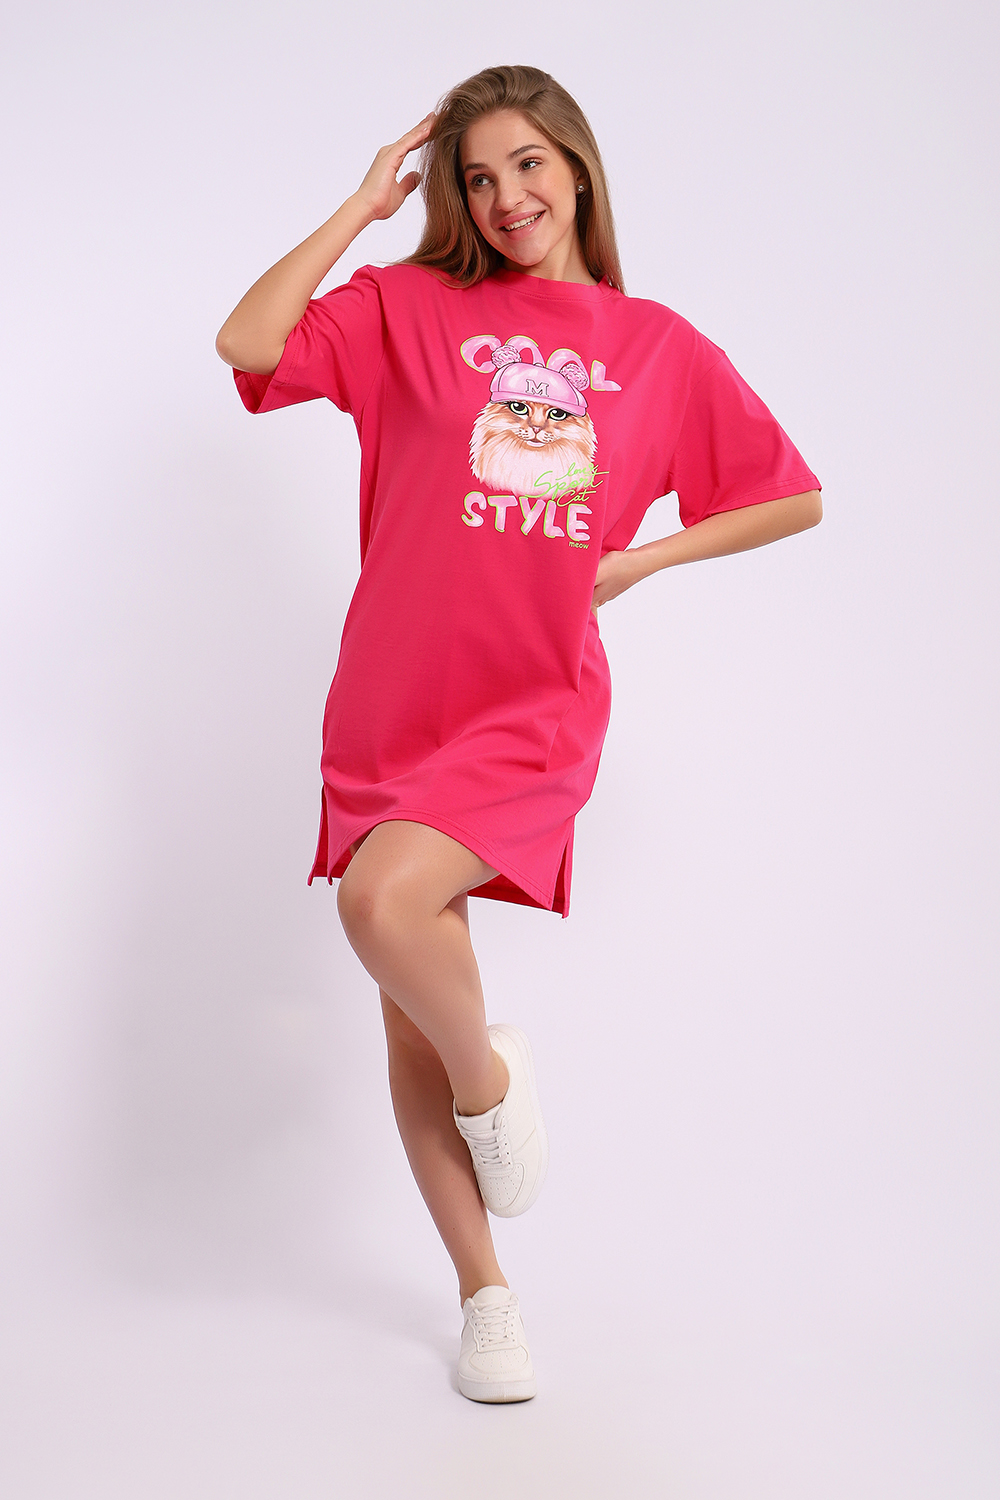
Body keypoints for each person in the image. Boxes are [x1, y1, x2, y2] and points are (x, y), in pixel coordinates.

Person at [216, 64, 822, 1404]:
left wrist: (644, 559)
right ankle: (485, 1295)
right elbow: (248, 344)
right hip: (389, 697)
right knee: (405, 1017)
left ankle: (491, 1084)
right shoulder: (408, 307)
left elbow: (793, 497)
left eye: (528, 165)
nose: (505, 199)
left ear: (577, 166)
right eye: (478, 177)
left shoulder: (658, 347)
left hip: (529, 701)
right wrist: (361, 208)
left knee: (382, 905)